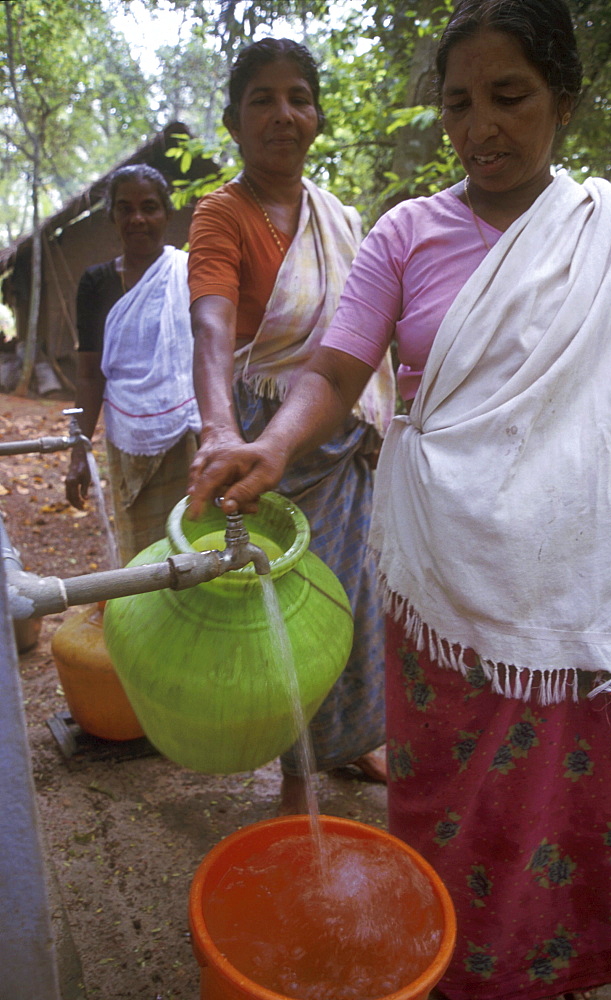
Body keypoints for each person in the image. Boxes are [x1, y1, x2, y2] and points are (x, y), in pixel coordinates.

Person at [186, 1, 611, 997]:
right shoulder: (407, 233)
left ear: (563, 102)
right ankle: (445, 963)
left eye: (507, 97)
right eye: (457, 103)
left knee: (556, 797)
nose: (479, 124)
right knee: (449, 793)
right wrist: (267, 441)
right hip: (441, 573)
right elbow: (334, 369)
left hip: (561, 585)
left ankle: (551, 967)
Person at [186, 37, 396, 815]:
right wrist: (217, 430)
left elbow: (371, 340)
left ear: (316, 115)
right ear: (234, 122)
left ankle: (348, 740)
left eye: (299, 97)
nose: (284, 114)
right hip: (265, 446)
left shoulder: (342, 221)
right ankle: (297, 774)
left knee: (354, 599)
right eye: (262, 100)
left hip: (339, 442)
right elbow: (210, 330)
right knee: (289, 609)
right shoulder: (222, 214)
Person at [65, 164, 201, 566]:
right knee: (140, 558)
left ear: (167, 214)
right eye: (125, 209)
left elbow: (209, 357)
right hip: (127, 438)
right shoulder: (96, 283)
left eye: (149, 207)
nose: (137, 218)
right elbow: (91, 374)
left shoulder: (188, 272)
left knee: (191, 546)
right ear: (112, 217)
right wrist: (77, 452)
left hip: (188, 434)